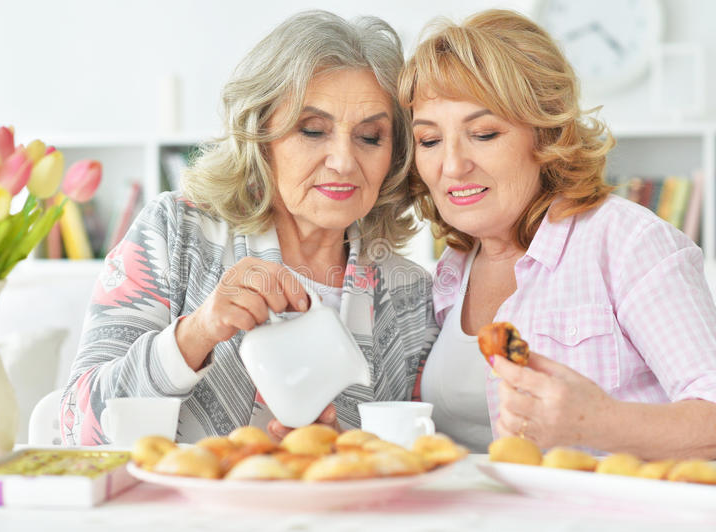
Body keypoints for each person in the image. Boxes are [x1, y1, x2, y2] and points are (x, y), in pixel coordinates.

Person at [61, 10, 438, 445]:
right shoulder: (175, 234)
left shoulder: (408, 294)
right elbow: (77, 425)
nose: (343, 161)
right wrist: (195, 334)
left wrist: (334, 448)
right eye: (312, 130)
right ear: (260, 134)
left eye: (370, 137)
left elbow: (409, 458)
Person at [400, 9, 716, 458]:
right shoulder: (449, 273)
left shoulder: (629, 243)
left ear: (546, 134)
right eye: (429, 141)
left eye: (484, 134)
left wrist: (598, 423)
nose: (451, 165)